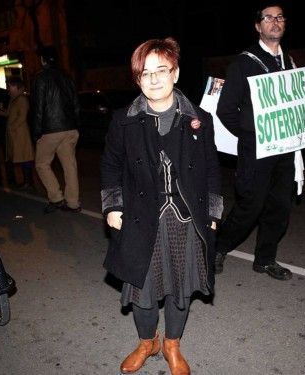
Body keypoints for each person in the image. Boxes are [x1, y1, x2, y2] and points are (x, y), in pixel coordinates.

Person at [100, 37, 222, 375]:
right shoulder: (124, 120)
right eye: (145, 73)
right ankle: (146, 342)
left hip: (186, 220)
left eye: (161, 70)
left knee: (180, 291)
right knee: (142, 290)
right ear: (137, 79)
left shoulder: (198, 119)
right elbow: (110, 166)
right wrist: (112, 206)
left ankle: (171, 346)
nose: (153, 79)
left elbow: (212, 170)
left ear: (176, 73)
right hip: (141, 219)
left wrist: (212, 213)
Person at [215, 2, 303, 280]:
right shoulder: (243, 63)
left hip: (286, 149)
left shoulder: (290, 62)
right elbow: (225, 110)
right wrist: (251, 135)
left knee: (280, 207)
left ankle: (265, 260)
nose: (275, 22)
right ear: (258, 26)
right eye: (268, 18)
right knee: (249, 207)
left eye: (280, 17)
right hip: (257, 150)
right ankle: (218, 249)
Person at [31, 46, 81, 213]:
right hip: (70, 128)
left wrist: (36, 131)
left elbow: (38, 107)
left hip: (50, 129)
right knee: (70, 166)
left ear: (43, 60)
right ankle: (73, 203)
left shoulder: (40, 77)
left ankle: (56, 198)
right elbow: (76, 104)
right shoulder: (67, 76)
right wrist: (75, 125)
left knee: (41, 164)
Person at [3, 76, 35, 190]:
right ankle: (27, 182)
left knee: (25, 157)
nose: (8, 88)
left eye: (10, 86)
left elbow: (22, 117)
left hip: (20, 133)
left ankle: (29, 182)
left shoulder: (21, 98)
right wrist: (1, 111)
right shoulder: (13, 98)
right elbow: (10, 114)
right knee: (21, 158)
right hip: (15, 133)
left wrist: (12, 127)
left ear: (17, 87)